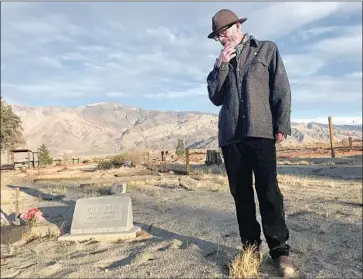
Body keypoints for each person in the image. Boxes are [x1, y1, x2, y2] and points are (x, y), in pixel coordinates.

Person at [206, 9, 295, 278]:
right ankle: (250, 251)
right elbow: (215, 97)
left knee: (269, 192)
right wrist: (221, 64)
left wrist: (281, 124)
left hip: (260, 133)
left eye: (223, 33)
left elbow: (281, 88)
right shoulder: (221, 61)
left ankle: (280, 252)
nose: (221, 40)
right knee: (241, 196)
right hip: (232, 137)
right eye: (217, 37)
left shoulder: (267, 49)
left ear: (236, 27)